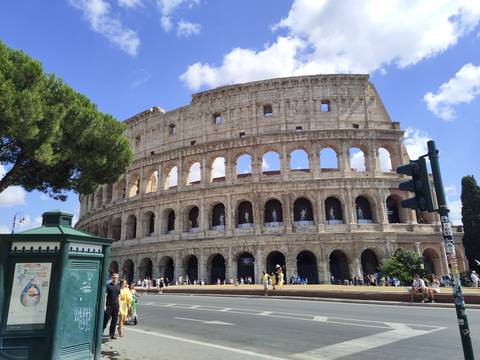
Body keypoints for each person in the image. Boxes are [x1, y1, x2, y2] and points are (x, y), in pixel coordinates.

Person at [103, 273, 120, 339]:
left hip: (116, 305)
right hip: (109, 305)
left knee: (114, 320)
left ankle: (112, 334)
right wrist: (104, 305)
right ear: (112, 278)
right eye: (114, 277)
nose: (115, 278)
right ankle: (101, 331)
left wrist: (119, 306)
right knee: (106, 319)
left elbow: (119, 296)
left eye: (116, 277)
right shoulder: (108, 286)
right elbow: (105, 296)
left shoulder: (118, 286)